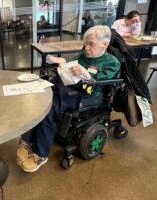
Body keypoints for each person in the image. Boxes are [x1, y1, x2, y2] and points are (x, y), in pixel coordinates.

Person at [17, 25, 121, 172]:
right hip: (68, 86)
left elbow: (100, 81)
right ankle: (27, 139)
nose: (86, 48)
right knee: (40, 97)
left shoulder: (111, 62)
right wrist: (62, 65)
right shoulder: (82, 55)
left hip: (89, 94)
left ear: (105, 44)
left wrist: (87, 75)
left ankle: (41, 154)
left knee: (48, 107)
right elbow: (70, 71)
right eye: (85, 43)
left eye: (91, 44)